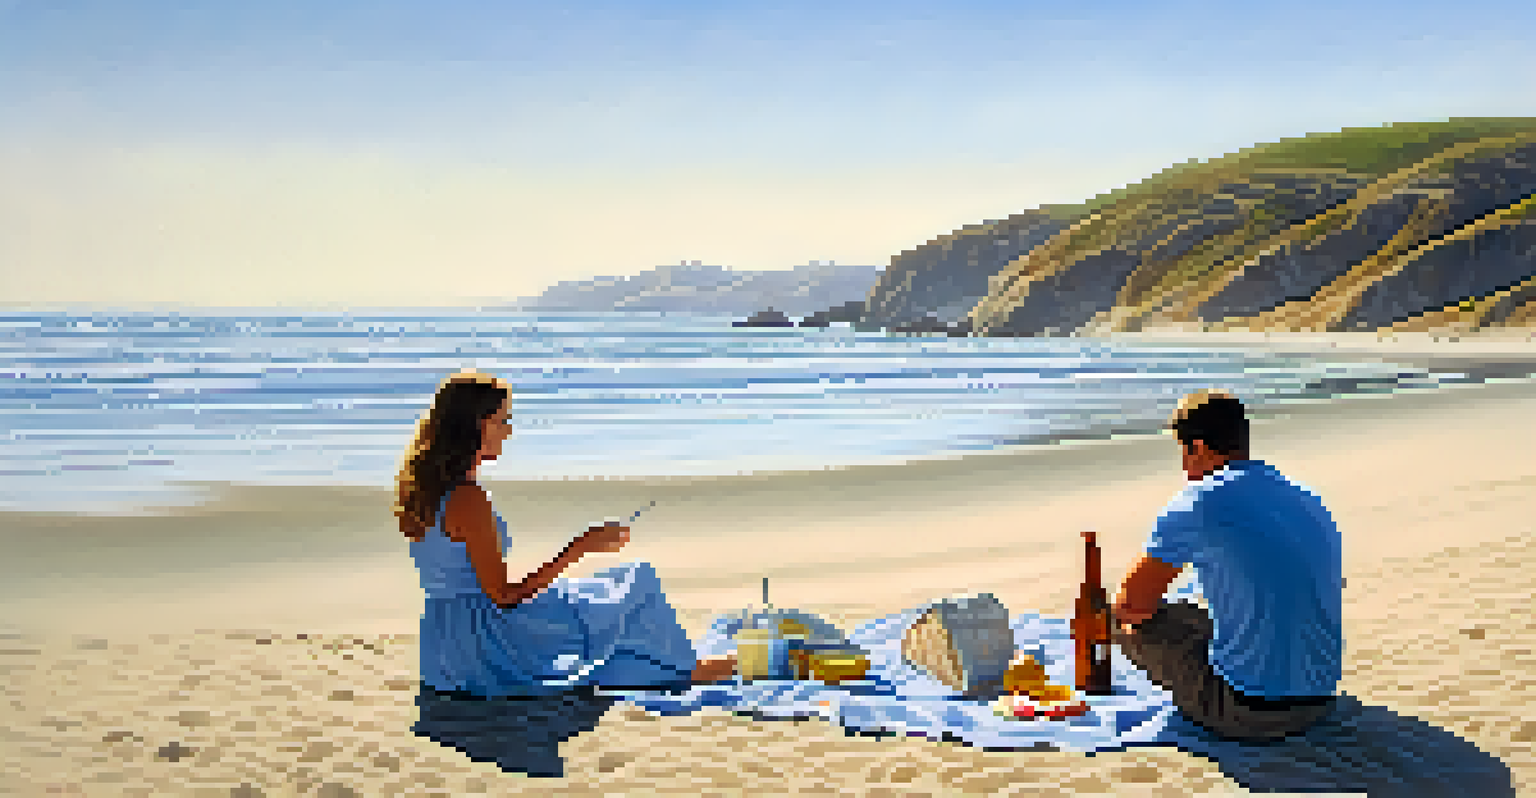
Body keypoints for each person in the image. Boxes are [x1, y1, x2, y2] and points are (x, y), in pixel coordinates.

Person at [396, 370, 736, 697]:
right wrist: (581, 547)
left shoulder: (426, 489)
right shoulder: (467, 498)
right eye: (502, 421)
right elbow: (504, 595)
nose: (508, 432)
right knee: (629, 587)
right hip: (481, 646)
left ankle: (678, 664)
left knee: (593, 598)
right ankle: (687, 668)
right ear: (475, 424)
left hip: (442, 647)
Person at [1111, 390, 1343, 742]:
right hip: (1321, 699)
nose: (1184, 465)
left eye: (1183, 452)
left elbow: (1130, 605)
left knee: (1121, 622)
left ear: (1198, 447)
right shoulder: (1306, 498)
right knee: (1191, 613)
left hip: (1250, 712)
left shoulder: (1198, 500)